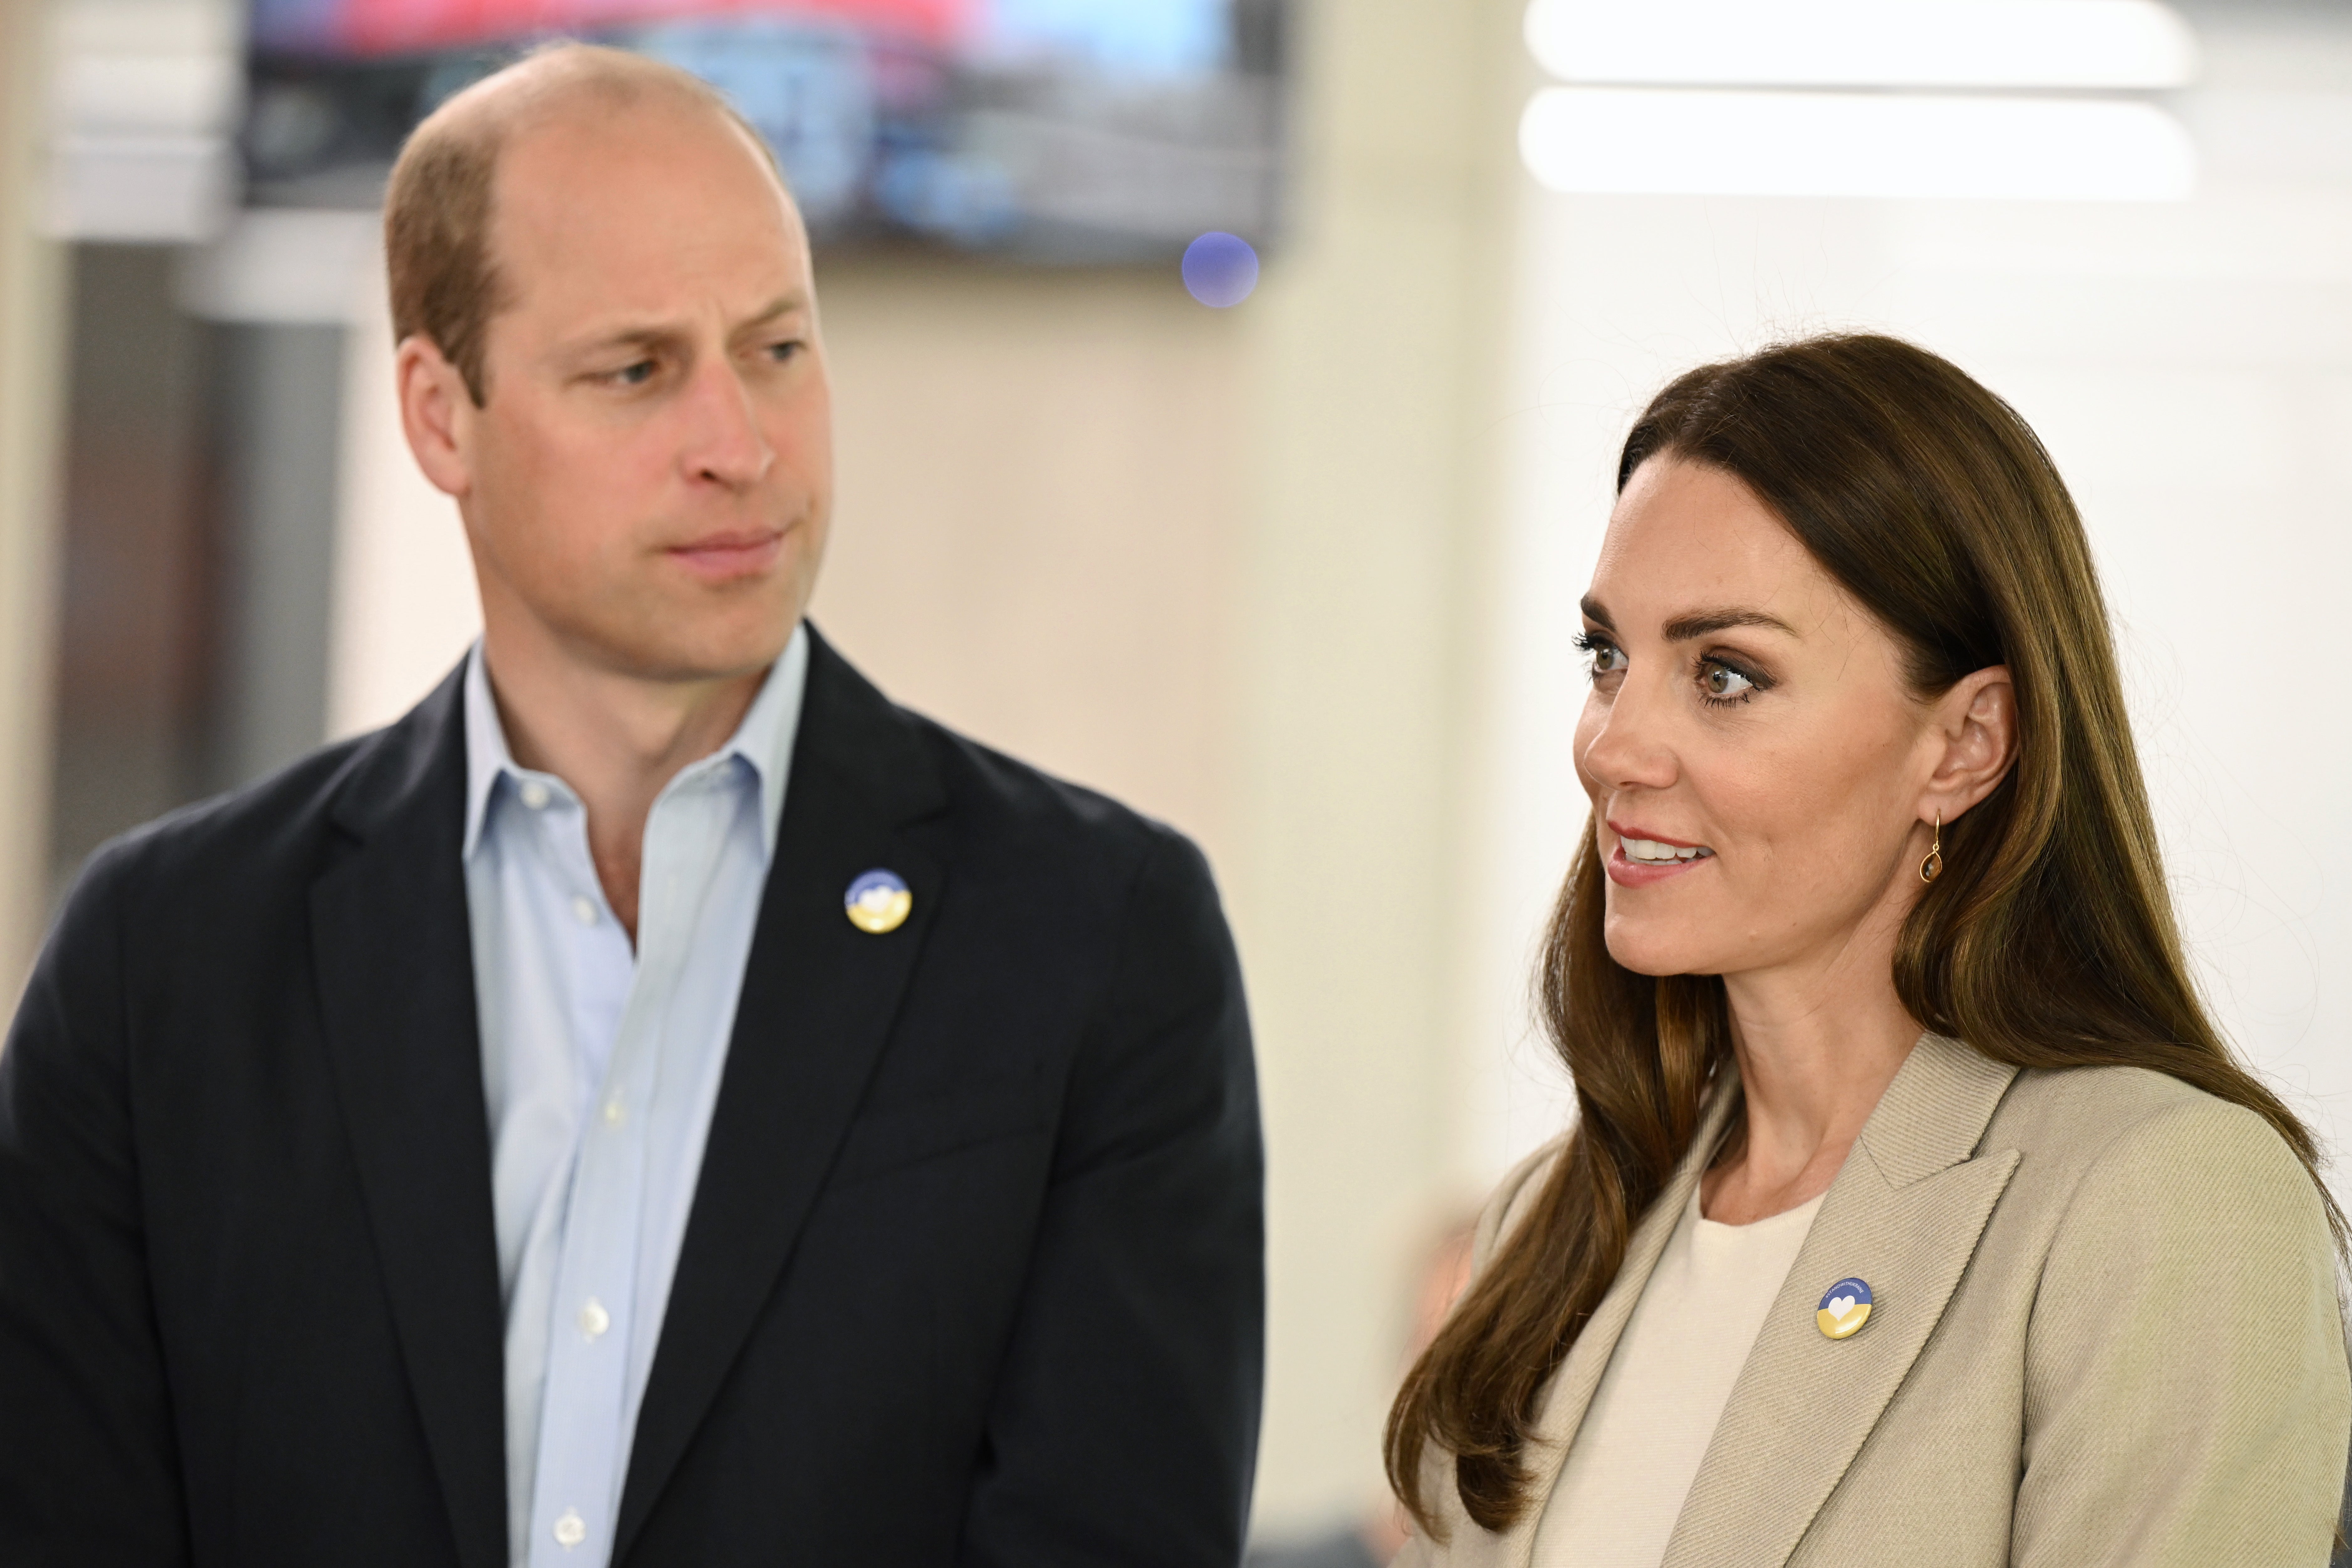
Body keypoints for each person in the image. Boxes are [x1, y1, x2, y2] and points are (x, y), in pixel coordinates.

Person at [0, 44, 1263, 1568]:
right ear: (439, 414)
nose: (741, 444)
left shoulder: (1095, 940)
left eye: (777, 348)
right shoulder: (167, 964)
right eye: (637, 369)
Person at [1384, 333, 2351, 1566]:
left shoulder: (2153, 1197)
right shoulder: (1547, 1223)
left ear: (1962, 743)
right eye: (1606, 658)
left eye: (1722, 673)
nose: (1613, 745)